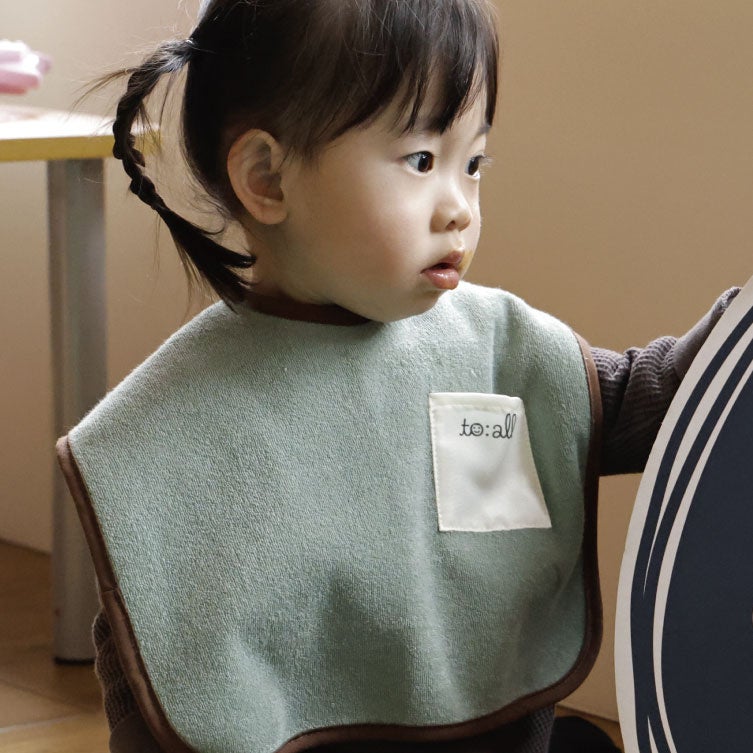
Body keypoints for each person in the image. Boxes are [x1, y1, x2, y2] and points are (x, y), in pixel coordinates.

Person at [56, 1, 738, 752]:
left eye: (473, 164)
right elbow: (154, 639)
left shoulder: (496, 349)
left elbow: (661, 399)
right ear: (267, 179)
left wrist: (740, 326)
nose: (460, 210)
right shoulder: (169, 429)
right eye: (420, 161)